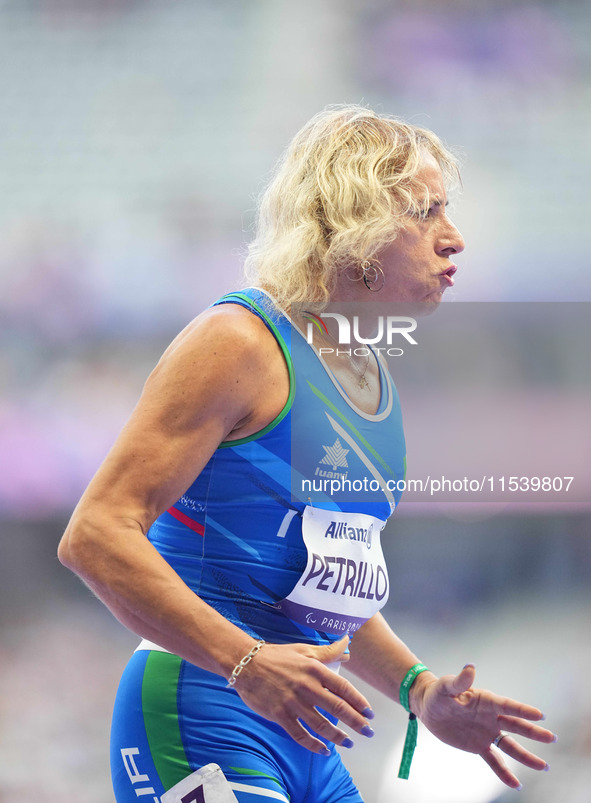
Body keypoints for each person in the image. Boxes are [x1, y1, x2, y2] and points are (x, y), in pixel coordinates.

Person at [58, 105, 555, 803]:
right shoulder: (237, 342)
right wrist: (244, 660)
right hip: (200, 709)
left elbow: (324, 592)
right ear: (354, 222)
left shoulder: (370, 380)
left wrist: (420, 691)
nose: (455, 238)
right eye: (426, 211)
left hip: (304, 733)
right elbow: (95, 535)